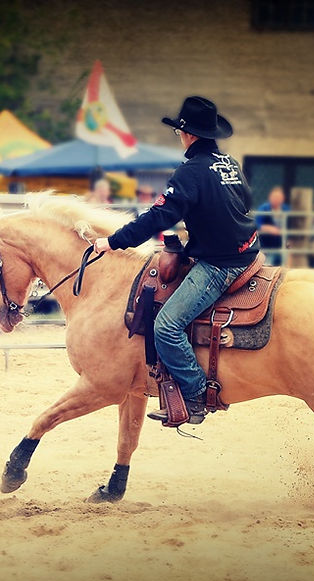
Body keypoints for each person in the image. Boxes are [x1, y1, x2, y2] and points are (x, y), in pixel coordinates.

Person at [92, 96, 260, 425]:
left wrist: (113, 241)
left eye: (180, 133)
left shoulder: (190, 172)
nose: (180, 138)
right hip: (247, 250)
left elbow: (159, 216)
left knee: (166, 326)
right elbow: (245, 201)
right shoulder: (229, 164)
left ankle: (195, 395)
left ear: (189, 134)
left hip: (220, 264)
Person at [254, 185, 287, 265]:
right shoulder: (264, 208)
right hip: (267, 242)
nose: (276, 199)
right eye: (274, 197)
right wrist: (268, 228)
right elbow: (256, 224)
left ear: (282, 199)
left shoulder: (286, 209)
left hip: (283, 241)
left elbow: (294, 225)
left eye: (278, 197)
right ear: (270, 197)